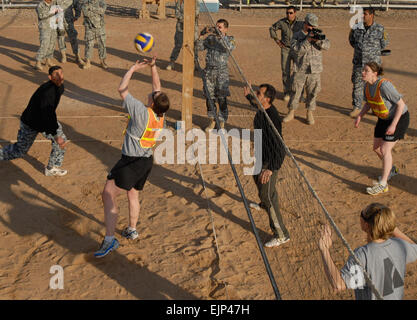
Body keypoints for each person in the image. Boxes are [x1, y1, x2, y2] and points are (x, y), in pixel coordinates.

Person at [94, 57, 170, 258]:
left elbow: (122, 89)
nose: (153, 92)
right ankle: (131, 229)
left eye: (154, 95)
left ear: (152, 102)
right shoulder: (160, 115)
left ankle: (110, 240)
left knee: (108, 194)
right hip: (146, 162)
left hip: (131, 161)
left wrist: (133, 68)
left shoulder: (140, 111)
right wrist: (153, 67)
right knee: (133, 194)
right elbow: (157, 86)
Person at [319, 203, 417, 300]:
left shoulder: (363, 255)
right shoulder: (400, 245)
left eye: (362, 214)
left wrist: (324, 250)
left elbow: (338, 284)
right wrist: (390, 226)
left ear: (366, 225)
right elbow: (414, 247)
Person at [0, 66, 68, 176]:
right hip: (30, 123)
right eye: (56, 74)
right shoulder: (47, 92)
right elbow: (48, 114)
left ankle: (51, 168)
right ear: (50, 77)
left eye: (61, 73)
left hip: (44, 120)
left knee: (61, 140)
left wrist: (56, 134)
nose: (60, 76)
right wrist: (55, 134)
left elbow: (49, 113)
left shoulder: (60, 87)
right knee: (19, 151)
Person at [244, 83, 290, 248]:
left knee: (268, 194)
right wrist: (249, 96)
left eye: (259, 93)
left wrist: (271, 168)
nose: (257, 94)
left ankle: (281, 234)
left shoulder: (273, 119)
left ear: (267, 99)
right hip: (261, 155)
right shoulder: (263, 108)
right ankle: (263, 203)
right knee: (256, 177)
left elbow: (280, 147)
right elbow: (256, 104)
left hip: (270, 160)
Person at [354, 62, 409, 195]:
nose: (363, 73)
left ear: (375, 73)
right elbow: (369, 103)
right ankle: (391, 170)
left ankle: (383, 184)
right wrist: (360, 115)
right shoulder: (367, 86)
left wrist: (393, 125)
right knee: (377, 148)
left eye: (366, 71)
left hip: (399, 118)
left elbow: (401, 105)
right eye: (363, 70)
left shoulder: (384, 86)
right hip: (383, 119)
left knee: (385, 149)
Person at [283, 13, 330, 125]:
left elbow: (327, 46)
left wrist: (318, 40)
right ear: (305, 24)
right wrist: (308, 40)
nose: (312, 28)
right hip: (300, 69)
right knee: (295, 92)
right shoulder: (297, 35)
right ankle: (291, 112)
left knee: (313, 92)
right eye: (310, 26)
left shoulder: (319, 34)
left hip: (315, 70)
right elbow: (296, 50)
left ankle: (309, 112)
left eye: (314, 26)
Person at [349, 7, 389, 118]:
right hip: (359, 62)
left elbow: (384, 43)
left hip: (373, 64)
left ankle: (374, 108)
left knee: (375, 85)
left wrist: (371, 52)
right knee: (357, 84)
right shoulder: (356, 27)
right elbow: (352, 41)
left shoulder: (380, 28)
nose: (362, 16)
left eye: (365, 14)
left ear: (372, 15)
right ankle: (357, 107)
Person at [196, 19, 235, 130]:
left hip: (221, 73)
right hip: (209, 72)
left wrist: (221, 36)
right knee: (209, 98)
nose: (217, 29)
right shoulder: (210, 39)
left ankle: (222, 122)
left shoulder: (230, 39)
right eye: (216, 27)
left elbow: (228, 47)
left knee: (222, 98)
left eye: (220, 27)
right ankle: (212, 121)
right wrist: (201, 35)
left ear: (226, 29)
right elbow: (199, 47)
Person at [269, 6, 304, 102]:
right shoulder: (282, 22)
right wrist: (277, 40)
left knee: (299, 72)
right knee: (285, 71)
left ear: (295, 13)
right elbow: (272, 28)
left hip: (297, 50)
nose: (289, 15)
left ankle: (300, 93)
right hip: (286, 49)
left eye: (291, 13)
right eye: (287, 13)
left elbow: (307, 32)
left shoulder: (301, 24)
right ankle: (287, 92)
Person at [165, 0, 199, 71]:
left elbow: (196, 13)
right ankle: (172, 62)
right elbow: (177, 14)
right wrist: (185, 20)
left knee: (195, 45)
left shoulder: (195, 1)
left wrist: (189, 20)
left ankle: (196, 63)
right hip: (181, 28)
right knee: (178, 45)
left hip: (193, 27)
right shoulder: (180, 1)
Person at [55, 0, 85, 66]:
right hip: (59, 21)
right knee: (60, 37)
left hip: (69, 21)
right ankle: (63, 56)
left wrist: (77, 16)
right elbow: (51, 7)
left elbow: (77, 6)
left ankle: (77, 56)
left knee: (73, 37)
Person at [80, 0, 108, 70]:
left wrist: (91, 8)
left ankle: (102, 61)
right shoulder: (85, 2)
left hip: (100, 27)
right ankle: (88, 62)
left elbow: (102, 11)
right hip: (89, 27)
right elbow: (86, 13)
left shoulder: (102, 2)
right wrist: (97, 11)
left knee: (102, 44)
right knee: (89, 44)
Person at [34, 0, 60, 71]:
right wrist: (52, 12)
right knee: (44, 44)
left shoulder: (53, 3)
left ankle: (48, 61)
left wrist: (57, 18)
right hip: (45, 27)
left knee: (52, 44)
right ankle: (38, 62)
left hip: (53, 26)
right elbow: (41, 15)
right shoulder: (40, 5)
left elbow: (57, 12)